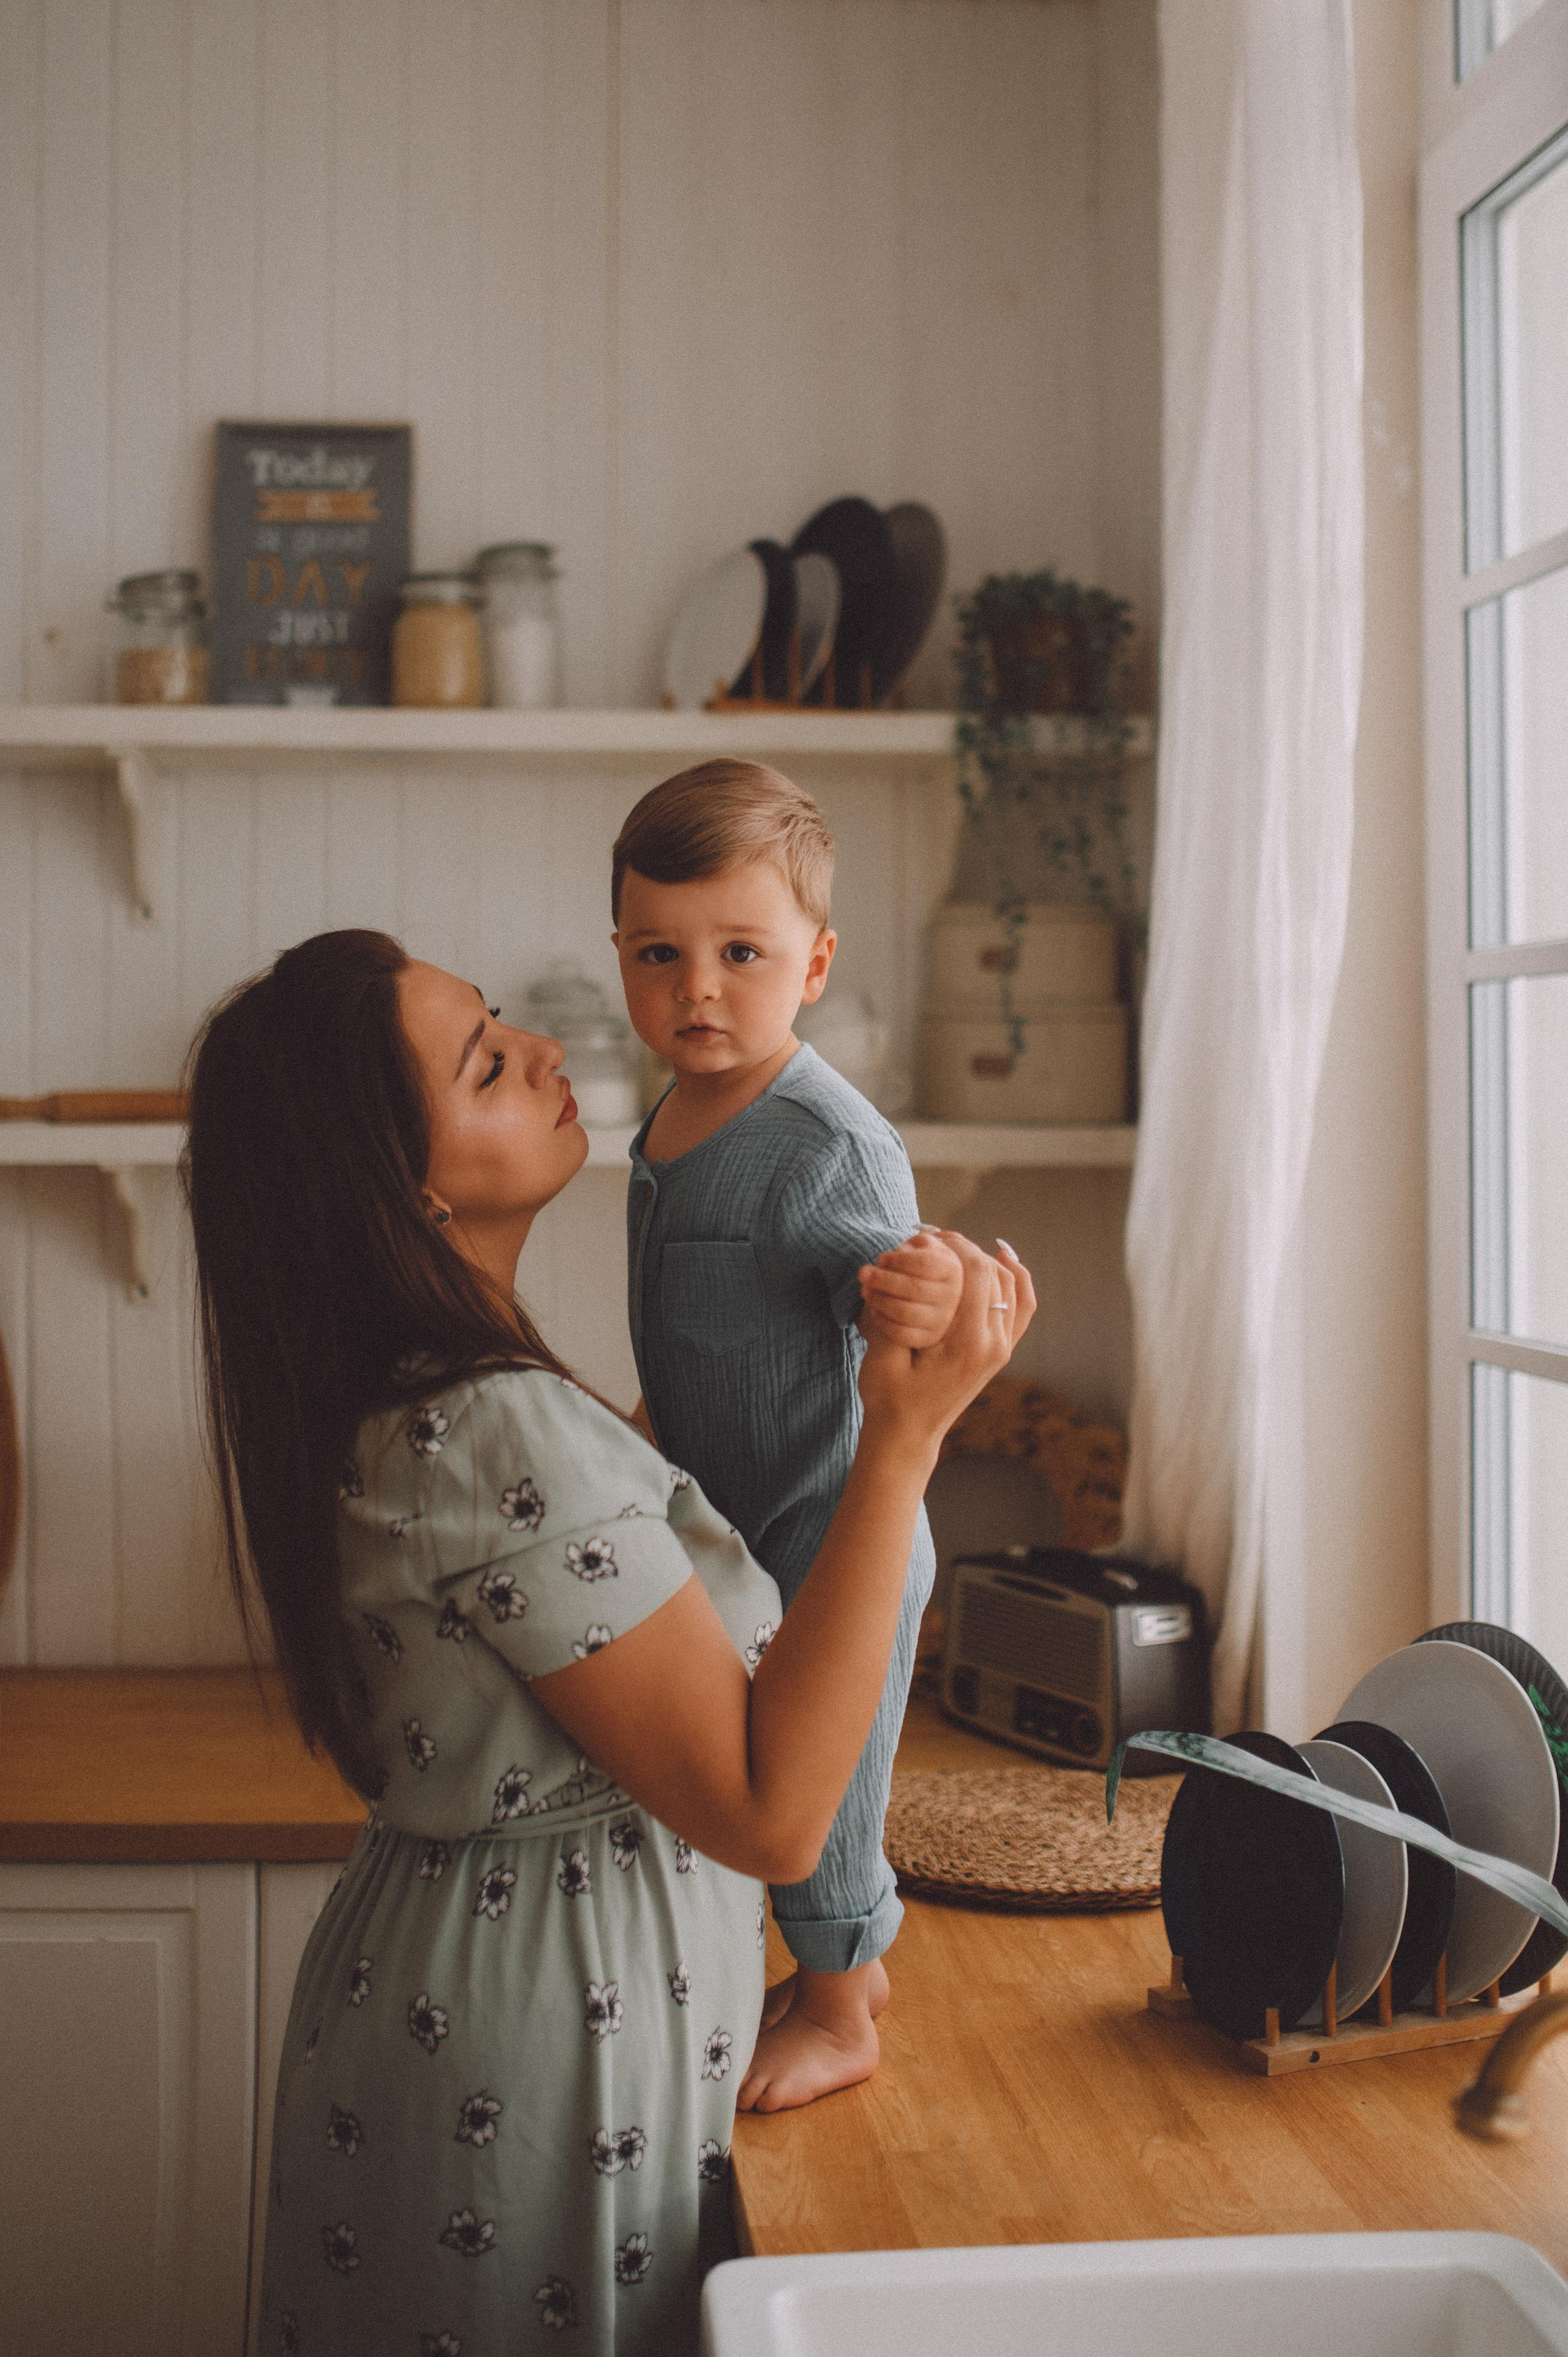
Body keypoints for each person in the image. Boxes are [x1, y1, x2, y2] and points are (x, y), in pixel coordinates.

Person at [182, 926, 1032, 2357]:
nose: (541, 1053)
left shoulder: (445, 1394)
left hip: (471, 2014)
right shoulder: (492, 1424)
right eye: (482, 1063)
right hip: (529, 2065)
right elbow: (771, 1810)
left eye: (502, 1023)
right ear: (402, 1184)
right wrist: (902, 1443)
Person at [612, 760, 961, 2111]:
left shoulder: (824, 1136)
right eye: (661, 953)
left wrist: (924, 1287)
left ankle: (838, 2008)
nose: (696, 987)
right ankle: (842, 1973)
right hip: (731, 1517)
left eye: (739, 953)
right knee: (739, 1770)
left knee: (818, 1793)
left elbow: (896, 1288)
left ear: (812, 964)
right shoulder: (674, 1115)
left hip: (832, 1529)